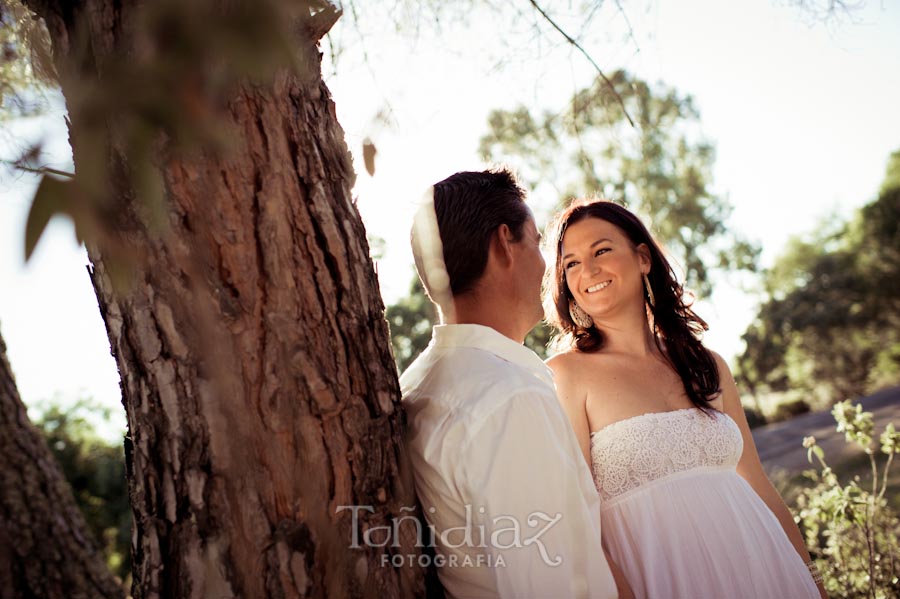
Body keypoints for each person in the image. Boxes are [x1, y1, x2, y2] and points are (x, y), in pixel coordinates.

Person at [543, 197, 826, 599]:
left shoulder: (707, 364)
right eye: (570, 263)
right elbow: (576, 519)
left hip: (767, 570)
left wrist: (812, 579)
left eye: (601, 250)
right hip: (661, 582)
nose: (587, 270)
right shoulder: (565, 375)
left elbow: (758, 485)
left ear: (643, 258)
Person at [400, 170, 625, 598]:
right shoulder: (509, 399)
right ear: (505, 244)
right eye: (537, 242)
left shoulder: (421, 382)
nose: (547, 265)